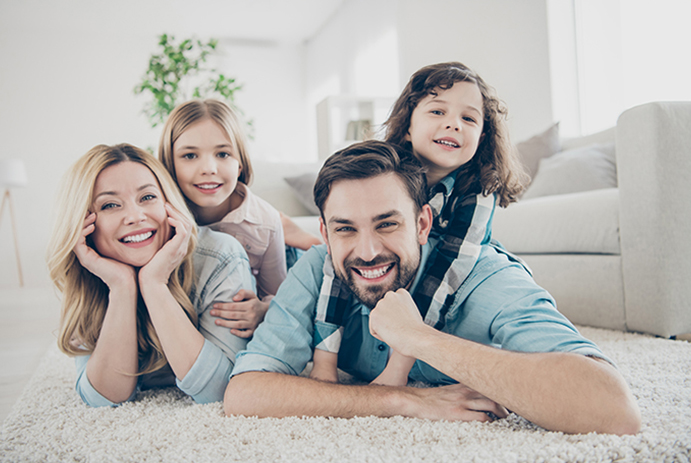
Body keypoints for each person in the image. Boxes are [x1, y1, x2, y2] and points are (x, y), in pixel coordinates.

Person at [224, 140, 640, 435]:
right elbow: (244, 394)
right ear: (325, 233)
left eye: (387, 224)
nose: (367, 252)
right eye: (345, 229)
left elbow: (613, 409)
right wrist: (402, 401)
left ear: (422, 223)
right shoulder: (318, 267)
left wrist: (419, 338)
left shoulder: (486, 277)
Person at [309, 61, 528, 385]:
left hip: (446, 270)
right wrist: (325, 362)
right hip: (394, 263)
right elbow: (339, 264)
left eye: (468, 118)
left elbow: (444, 274)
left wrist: (399, 365)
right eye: (437, 112)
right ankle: (323, 357)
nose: (453, 124)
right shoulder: (383, 176)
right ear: (408, 126)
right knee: (337, 256)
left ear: (482, 137)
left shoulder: (478, 192)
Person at [47, 144, 255, 407]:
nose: (135, 216)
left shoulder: (219, 255)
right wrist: (121, 287)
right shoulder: (89, 266)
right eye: (110, 205)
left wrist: (154, 284)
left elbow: (222, 390)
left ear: (169, 203)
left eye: (147, 197)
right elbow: (101, 398)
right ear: (83, 224)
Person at [159, 99, 286, 338]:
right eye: (189, 156)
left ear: (239, 164)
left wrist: (262, 310)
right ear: (169, 165)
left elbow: (279, 296)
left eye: (223, 154)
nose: (208, 168)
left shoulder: (265, 222)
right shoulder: (158, 216)